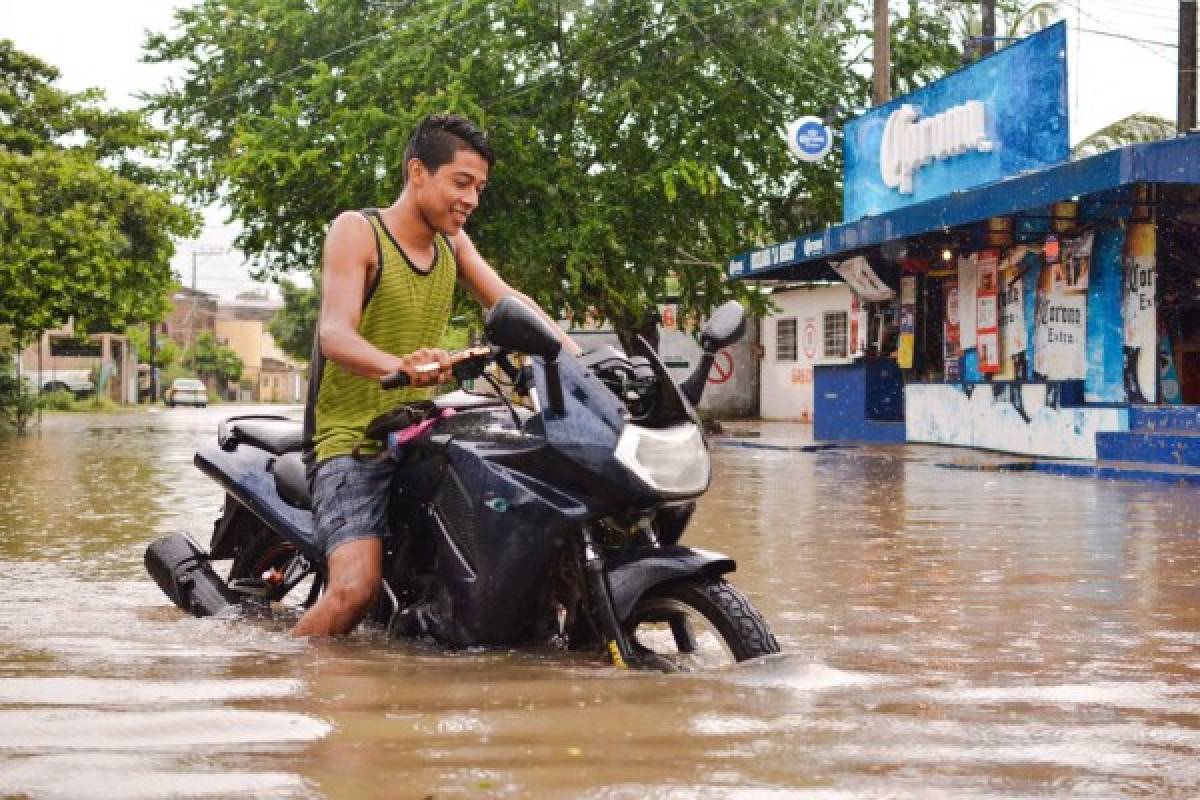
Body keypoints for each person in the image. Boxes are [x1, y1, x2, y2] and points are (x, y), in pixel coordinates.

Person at [291, 113, 579, 637]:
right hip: (350, 440)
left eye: (480, 189)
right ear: (418, 172)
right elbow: (335, 334)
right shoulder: (359, 231)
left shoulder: (453, 244)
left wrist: (583, 361)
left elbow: (511, 302)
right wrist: (396, 367)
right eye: (461, 183)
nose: (470, 199)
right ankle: (281, 675)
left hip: (418, 430)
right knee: (355, 591)